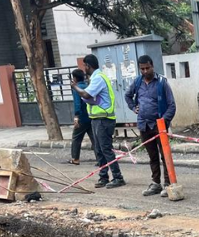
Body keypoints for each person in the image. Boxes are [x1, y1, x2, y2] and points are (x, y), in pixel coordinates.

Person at [124, 55, 176, 196]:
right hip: (144, 125)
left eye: (148, 68)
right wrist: (133, 107)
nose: (145, 71)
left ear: (152, 66)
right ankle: (156, 183)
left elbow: (172, 106)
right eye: (142, 69)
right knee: (152, 156)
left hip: (159, 126)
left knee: (164, 156)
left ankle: (168, 183)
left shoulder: (161, 83)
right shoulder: (137, 82)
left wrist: (163, 121)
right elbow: (127, 96)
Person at [75, 54, 124, 188]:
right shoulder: (96, 78)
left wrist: (75, 87)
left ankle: (118, 177)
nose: (84, 68)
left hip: (104, 119)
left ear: (88, 66)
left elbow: (86, 94)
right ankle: (103, 177)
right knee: (99, 149)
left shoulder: (98, 78)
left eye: (84, 65)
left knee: (105, 149)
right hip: (97, 119)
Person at [66, 68, 92, 165]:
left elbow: (77, 104)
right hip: (90, 116)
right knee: (94, 139)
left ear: (75, 78)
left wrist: (76, 117)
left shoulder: (77, 89)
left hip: (82, 118)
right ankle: (100, 158)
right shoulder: (87, 86)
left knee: (76, 138)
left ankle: (75, 158)